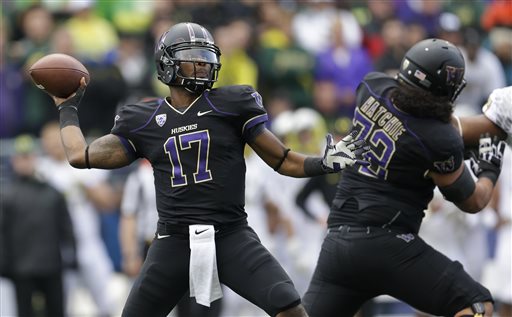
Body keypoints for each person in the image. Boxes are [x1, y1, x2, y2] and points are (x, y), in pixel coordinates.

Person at [46, 22, 368, 317]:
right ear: (167, 64)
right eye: (193, 57)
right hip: (173, 241)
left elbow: (282, 159)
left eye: (206, 56)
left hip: (230, 234)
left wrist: (321, 163)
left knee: (289, 306)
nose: (203, 64)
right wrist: (68, 108)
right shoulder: (142, 119)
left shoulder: (232, 104)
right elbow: (79, 155)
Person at [302, 38, 507, 317]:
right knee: (476, 304)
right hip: (389, 245)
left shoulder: (371, 87)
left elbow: (424, 123)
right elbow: (474, 201)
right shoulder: (438, 139)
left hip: (339, 244)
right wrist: (490, 165)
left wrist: (476, 132)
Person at [0, 134, 76, 317]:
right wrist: (4, 264)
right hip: (21, 269)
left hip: (51, 266)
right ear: (14, 161)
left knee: (57, 311)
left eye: (28, 157)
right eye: (21, 158)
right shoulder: (7, 195)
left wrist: (72, 255)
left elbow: (66, 227)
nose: (24, 162)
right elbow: (1, 233)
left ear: (35, 158)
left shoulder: (52, 192)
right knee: (24, 312)